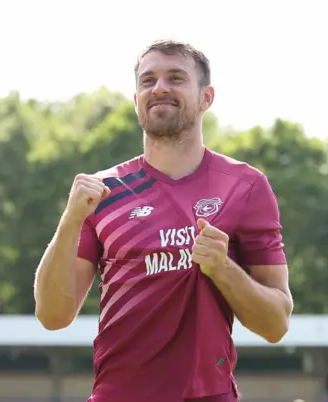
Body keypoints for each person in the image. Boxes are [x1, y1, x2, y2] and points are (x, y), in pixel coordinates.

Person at [34, 39, 294, 402]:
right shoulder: (102, 193)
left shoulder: (245, 186)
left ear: (206, 97)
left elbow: (276, 323)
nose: (159, 88)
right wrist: (69, 220)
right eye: (147, 80)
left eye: (176, 78)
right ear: (136, 99)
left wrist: (222, 269)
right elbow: (52, 315)